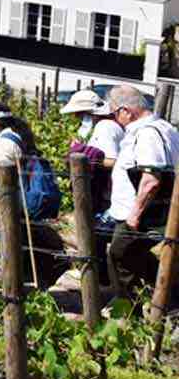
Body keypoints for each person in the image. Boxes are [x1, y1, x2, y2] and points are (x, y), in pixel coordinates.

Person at [0, 105, 69, 288]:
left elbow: (2, 182)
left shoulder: (4, 144)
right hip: (15, 201)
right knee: (16, 242)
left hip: (5, 203)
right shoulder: (18, 136)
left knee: (6, 244)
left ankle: (5, 286)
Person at [104, 85, 179, 301]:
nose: (115, 119)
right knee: (134, 257)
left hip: (143, 214)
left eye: (115, 112)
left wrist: (134, 216)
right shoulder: (165, 127)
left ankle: (129, 315)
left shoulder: (147, 134)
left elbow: (151, 180)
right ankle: (161, 300)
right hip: (155, 211)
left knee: (118, 256)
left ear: (126, 111)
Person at [61, 88, 122, 283]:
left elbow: (113, 160)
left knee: (95, 234)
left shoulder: (105, 127)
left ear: (88, 113)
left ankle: (96, 279)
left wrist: (83, 155)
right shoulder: (104, 126)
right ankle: (99, 277)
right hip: (106, 192)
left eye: (79, 115)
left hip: (108, 194)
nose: (77, 119)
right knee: (97, 235)